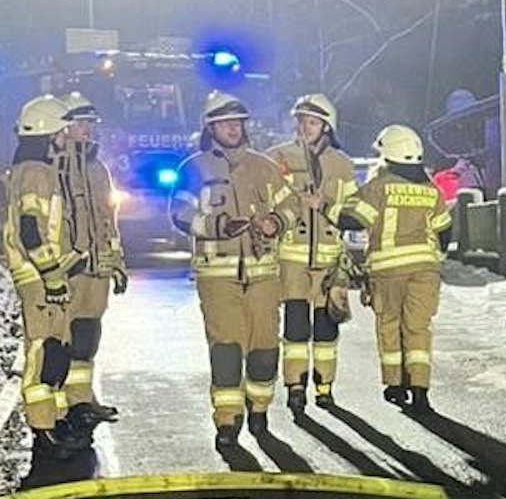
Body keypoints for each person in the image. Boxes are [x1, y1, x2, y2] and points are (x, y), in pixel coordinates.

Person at [169, 91, 296, 447]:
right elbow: (179, 213)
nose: (233, 128)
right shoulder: (193, 167)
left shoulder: (264, 166)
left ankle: (259, 408)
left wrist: (275, 222)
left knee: (265, 348)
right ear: (211, 128)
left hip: (263, 272)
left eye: (238, 123)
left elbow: (292, 206)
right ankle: (228, 421)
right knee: (226, 348)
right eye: (225, 124)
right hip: (217, 274)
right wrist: (217, 226)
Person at [3, 95, 93, 461]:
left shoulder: (34, 169)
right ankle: (43, 430)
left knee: (57, 350)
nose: (67, 136)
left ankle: (54, 421)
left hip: (48, 277)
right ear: (48, 132)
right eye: (62, 129)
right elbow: (31, 233)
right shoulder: (37, 174)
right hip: (40, 280)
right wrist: (53, 276)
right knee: (43, 352)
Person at [341, 125, 452, 410]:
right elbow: (444, 232)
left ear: (387, 155)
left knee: (389, 325)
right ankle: (419, 388)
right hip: (426, 270)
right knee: (418, 328)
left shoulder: (379, 187)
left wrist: (328, 208)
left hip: (388, 271)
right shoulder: (431, 190)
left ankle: (395, 385)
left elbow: (352, 222)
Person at [265, 94, 359, 415]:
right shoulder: (278, 158)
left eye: (314, 122)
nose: (306, 127)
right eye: (302, 120)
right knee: (294, 327)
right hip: (291, 258)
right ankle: (295, 386)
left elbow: (352, 212)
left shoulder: (343, 165)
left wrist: (326, 206)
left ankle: (325, 386)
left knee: (326, 326)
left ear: (327, 127)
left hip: (330, 260)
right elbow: (265, 200)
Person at [56, 91, 125, 428]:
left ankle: (82, 400)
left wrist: (117, 262)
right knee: (63, 339)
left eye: (90, 123)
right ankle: (60, 407)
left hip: (96, 271)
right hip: (69, 272)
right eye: (80, 123)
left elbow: (108, 219)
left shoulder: (97, 168)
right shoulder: (53, 166)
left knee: (87, 337)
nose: (87, 129)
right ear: (63, 126)